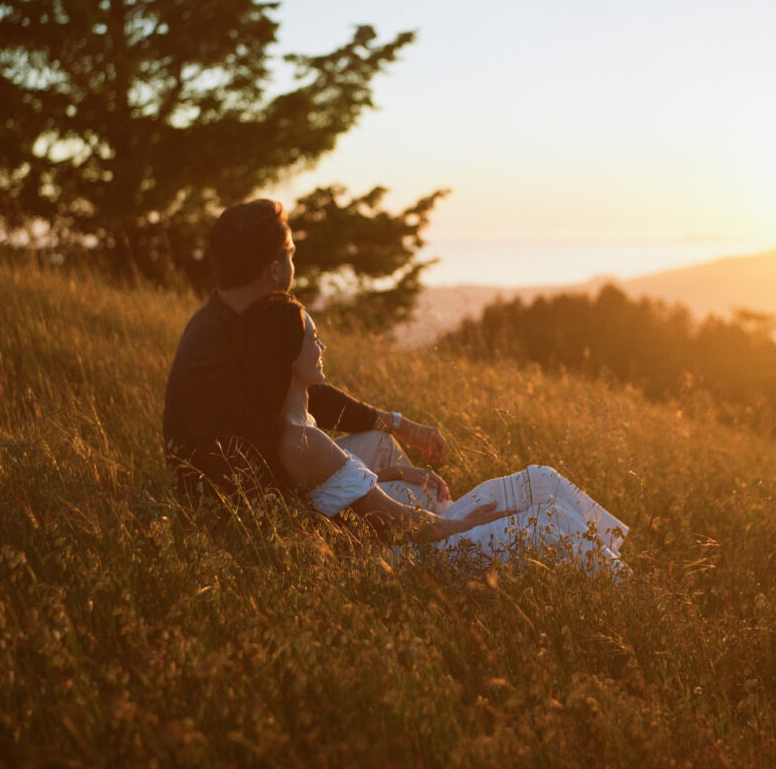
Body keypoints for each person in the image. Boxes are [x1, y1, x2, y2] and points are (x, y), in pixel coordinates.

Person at [239, 291, 630, 570]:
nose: (322, 347)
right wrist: (470, 523)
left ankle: (614, 563)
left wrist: (399, 473)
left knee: (540, 481)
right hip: (398, 560)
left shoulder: (300, 425)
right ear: (288, 353)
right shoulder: (302, 440)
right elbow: (396, 523)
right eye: (312, 339)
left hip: (410, 539)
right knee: (544, 522)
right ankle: (624, 592)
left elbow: (343, 497)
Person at [163, 199, 449, 502]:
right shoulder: (212, 350)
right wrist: (363, 483)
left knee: (381, 444)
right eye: (290, 255)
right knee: (414, 493)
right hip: (249, 507)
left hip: (284, 475)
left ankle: (443, 523)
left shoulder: (245, 320)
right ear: (274, 270)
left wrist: (400, 425)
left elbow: (309, 397)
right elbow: (241, 473)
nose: (292, 266)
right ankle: (443, 537)